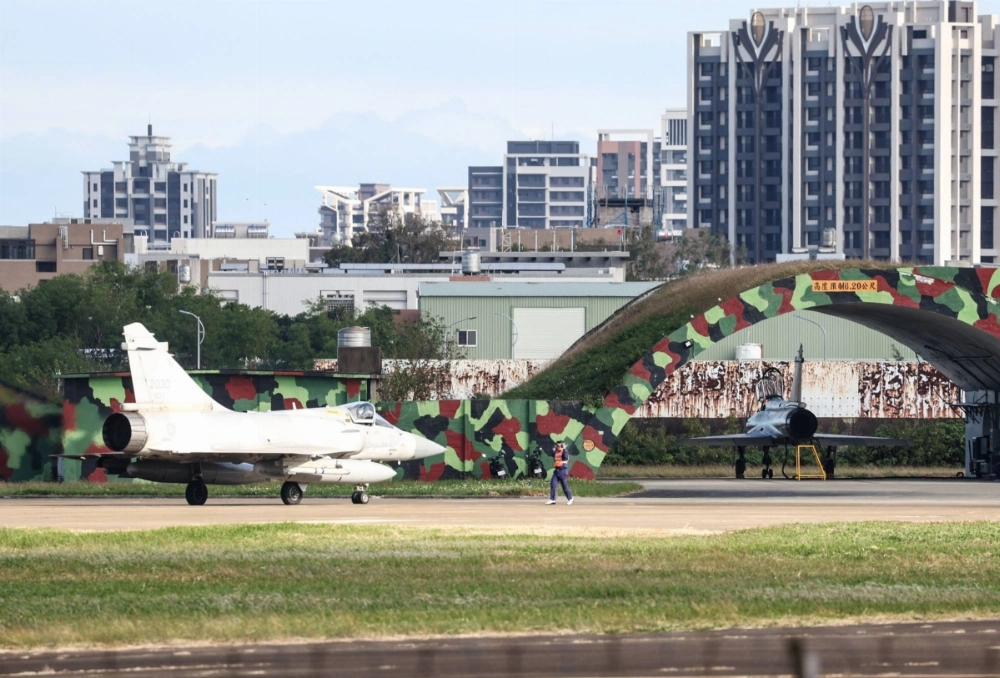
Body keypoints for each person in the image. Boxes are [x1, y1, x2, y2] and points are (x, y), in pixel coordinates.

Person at [546, 441, 574, 505]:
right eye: (557, 446)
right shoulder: (555, 452)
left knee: (564, 486)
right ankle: (552, 499)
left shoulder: (565, 452)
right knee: (553, 484)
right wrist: (553, 449)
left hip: (563, 470)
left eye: (560, 446)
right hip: (557, 471)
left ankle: (570, 498)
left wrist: (563, 449)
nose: (558, 447)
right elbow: (552, 454)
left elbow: (566, 457)